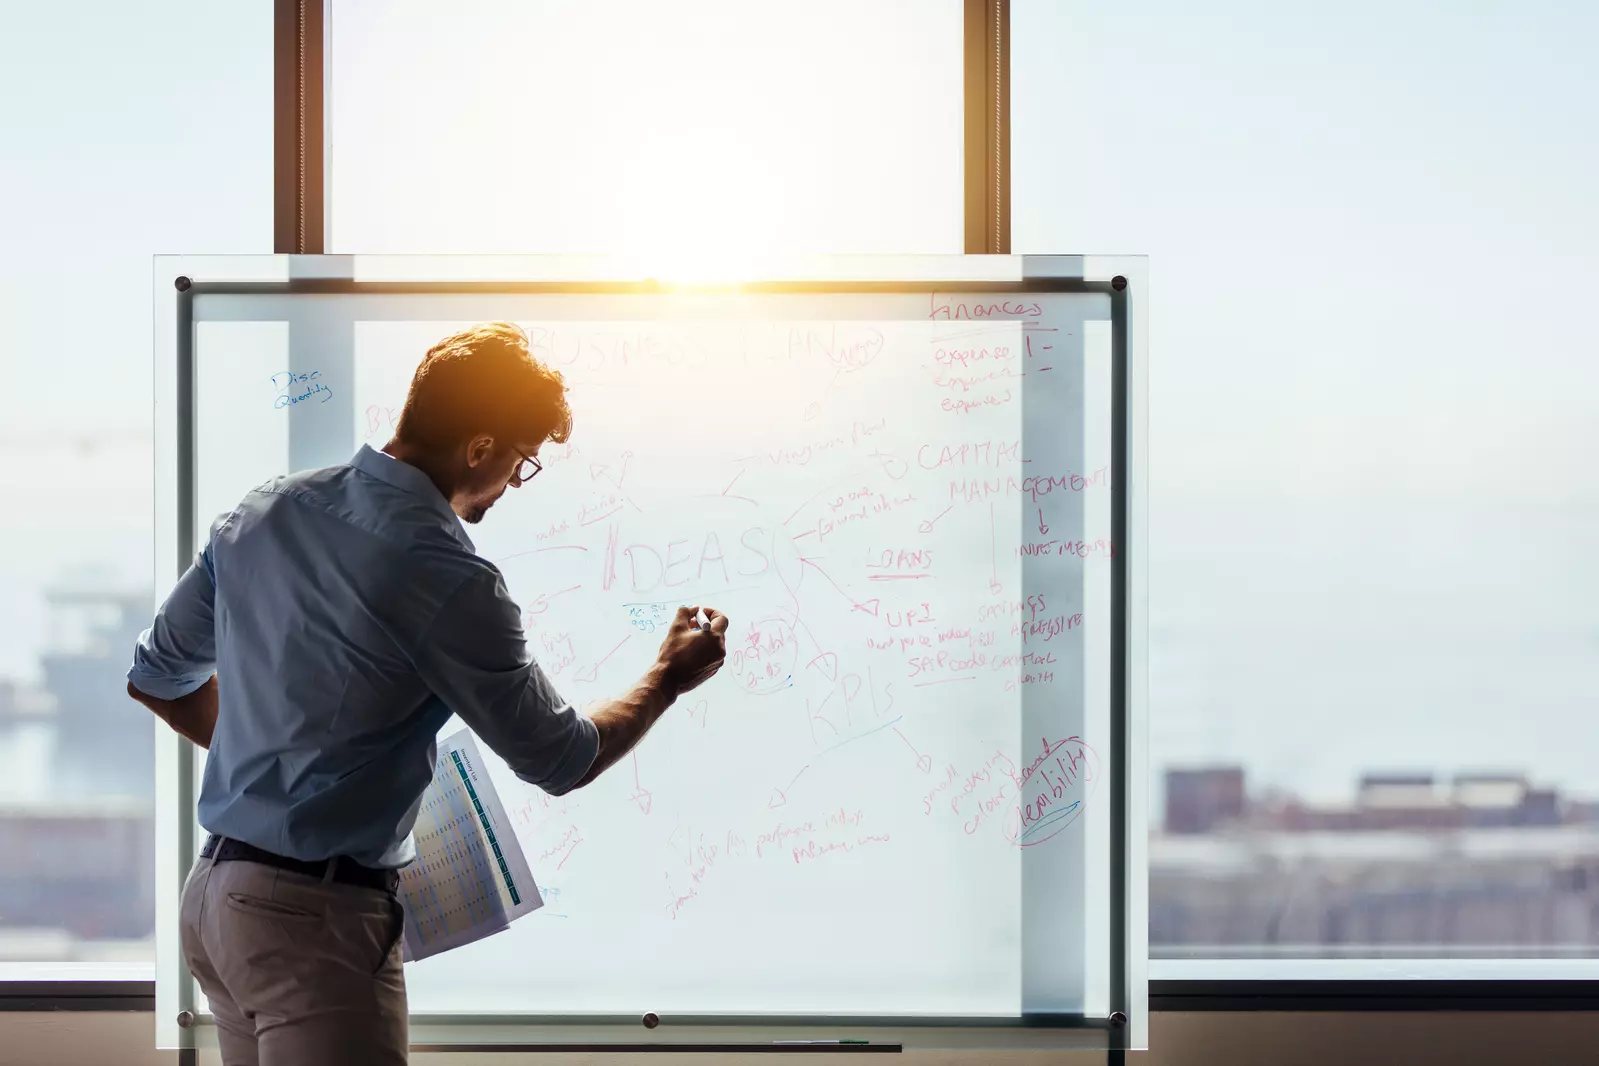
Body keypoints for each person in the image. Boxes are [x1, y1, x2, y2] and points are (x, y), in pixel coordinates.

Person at [125, 322, 729, 1066]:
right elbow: (561, 759)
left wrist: (286, 760)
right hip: (315, 921)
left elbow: (157, 677)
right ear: (480, 446)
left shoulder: (265, 512)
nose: (513, 482)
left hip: (217, 901)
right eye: (520, 462)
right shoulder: (444, 573)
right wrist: (667, 677)